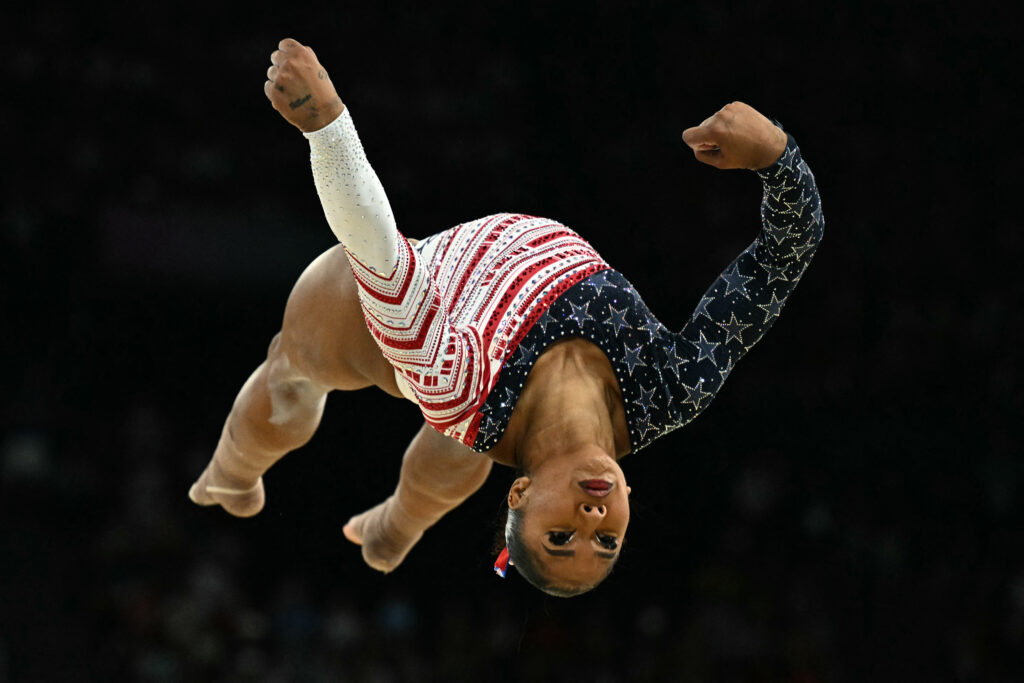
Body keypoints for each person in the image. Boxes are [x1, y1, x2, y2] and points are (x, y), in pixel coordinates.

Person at [189, 38, 824, 597]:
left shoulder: (462, 386)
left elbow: (382, 259)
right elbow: (778, 265)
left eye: (560, 537)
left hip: (399, 315)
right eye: (605, 544)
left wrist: (325, 128)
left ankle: (229, 476)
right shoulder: (669, 389)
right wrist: (778, 158)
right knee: (464, 454)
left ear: (520, 499)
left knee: (291, 374)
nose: (590, 521)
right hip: (481, 367)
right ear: (631, 503)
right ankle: (390, 532)